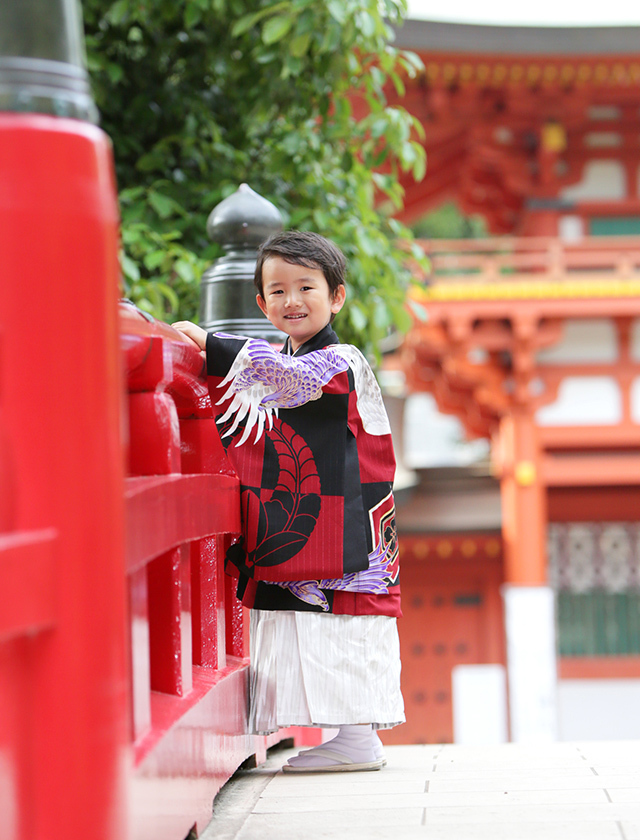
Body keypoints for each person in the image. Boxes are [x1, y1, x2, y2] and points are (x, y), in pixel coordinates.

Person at [172, 230, 404, 772]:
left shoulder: (339, 359)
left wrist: (211, 343)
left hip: (356, 522)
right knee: (314, 621)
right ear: (261, 303)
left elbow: (296, 381)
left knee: (346, 617)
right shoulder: (280, 357)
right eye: (277, 291)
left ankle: (357, 737)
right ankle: (347, 736)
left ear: (337, 297)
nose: (291, 300)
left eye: (306, 287)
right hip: (328, 513)